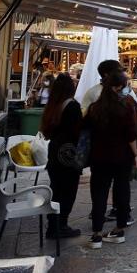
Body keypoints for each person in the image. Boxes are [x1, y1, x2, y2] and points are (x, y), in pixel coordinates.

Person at [84, 69, 137, 249]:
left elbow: (85, 128)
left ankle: (96, 233)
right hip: (122, 156)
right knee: (122, 190)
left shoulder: (95, 108)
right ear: (119, 87)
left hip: (99, 156)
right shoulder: (126, 106)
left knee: (99, 193)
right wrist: (135, 155)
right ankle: (119, 229)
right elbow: (131, 135)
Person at [39, 72, 82, 239]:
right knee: (68, 190)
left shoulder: (53, 105)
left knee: (56, 189)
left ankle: (53, 224)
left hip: (54, 151)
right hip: (68, 154)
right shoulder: (72, 106)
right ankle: (60, 225)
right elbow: (77, 132)